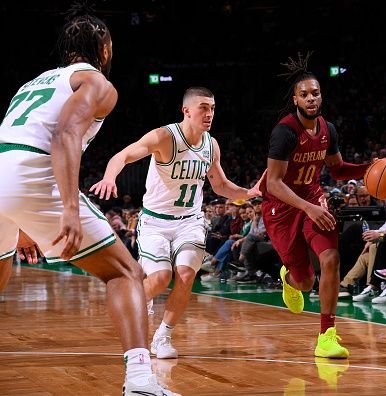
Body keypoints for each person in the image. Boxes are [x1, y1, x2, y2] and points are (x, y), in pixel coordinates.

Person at [0, 9, 179, 395]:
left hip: (3, 170)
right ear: (104, 48)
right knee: (125, 274)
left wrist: (22, 220)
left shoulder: (32, 83)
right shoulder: (97, 82)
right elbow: (65, 133)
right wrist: (66, 207)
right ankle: (140, 380)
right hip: (31, 171)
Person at [91, 86, 259, 362]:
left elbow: (221, 185)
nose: (209, 113)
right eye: (204, 107)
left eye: (213, 108)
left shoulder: (210, 144)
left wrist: (247, 193)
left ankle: (163, 336)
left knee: (185, 274)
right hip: (155, 221)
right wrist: (110, 177)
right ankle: (137, 301)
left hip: (190, 221)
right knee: (159, 279)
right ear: (187, 110)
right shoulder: (164, 137)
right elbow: (123, 155)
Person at [260, 53, 371, 358]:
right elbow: (274, 183)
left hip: (312, 199)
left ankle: (327, 336)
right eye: (304, 94)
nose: (311, 98)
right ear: (295, 99)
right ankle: (288, 278)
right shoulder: (284, 131)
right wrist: (307, 208)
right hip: (280, 207)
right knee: (305, 282)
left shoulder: (328, 129)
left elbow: (336, 169)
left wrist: (370, 168)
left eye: (316, 93)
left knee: (331, 257)